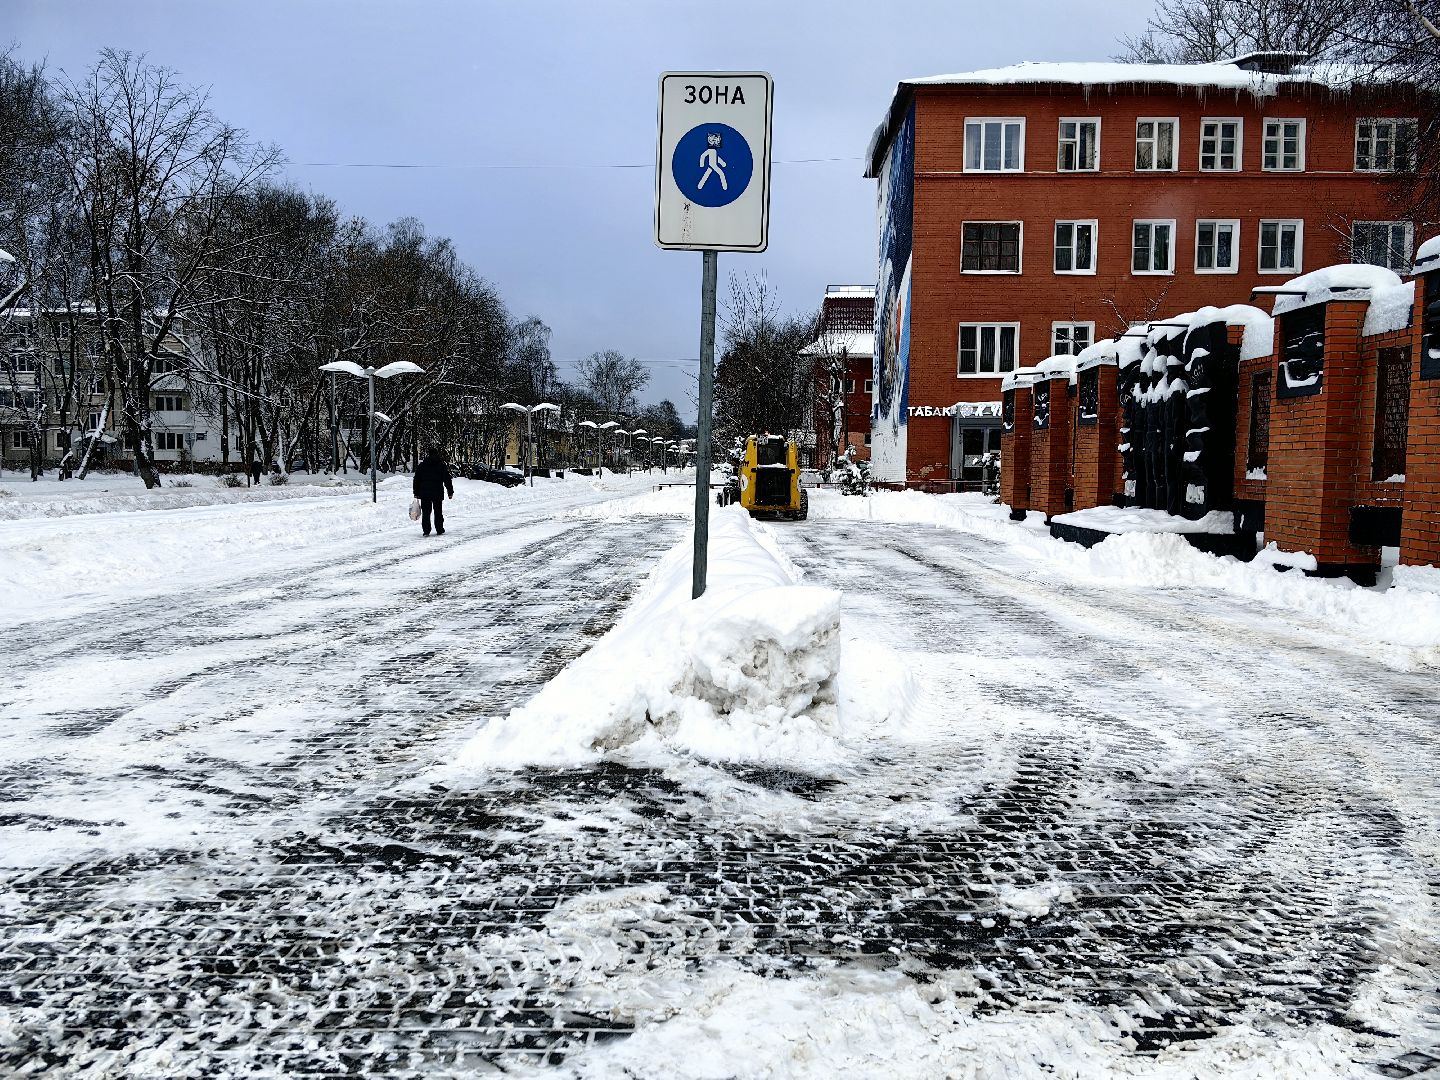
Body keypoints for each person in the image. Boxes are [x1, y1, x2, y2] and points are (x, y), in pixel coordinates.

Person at [412, 445, 455, 536]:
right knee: (438, 511)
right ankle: (439, 529)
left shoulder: (422, 465)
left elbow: (416, 479)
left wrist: (416, 492)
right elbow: (447, 479)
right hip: (437, 492)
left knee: (426, 512)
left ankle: (426, 530)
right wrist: (450, 492)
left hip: (425, 493)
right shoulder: (441, 465)